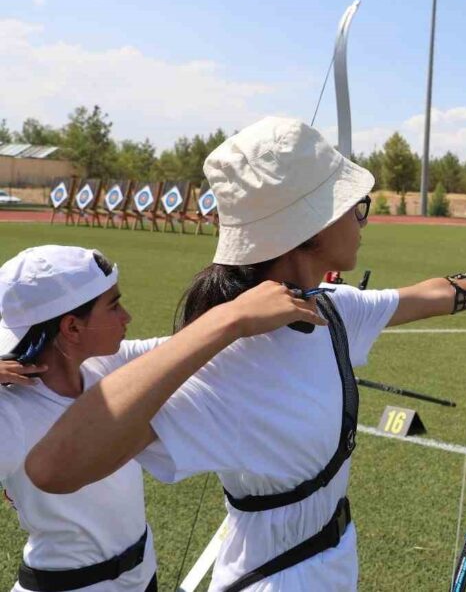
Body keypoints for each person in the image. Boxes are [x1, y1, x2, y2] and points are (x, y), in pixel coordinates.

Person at [28, 117, 466, 591]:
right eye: (353, 207)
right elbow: (54, 468)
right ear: (310, 229)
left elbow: (427, 295)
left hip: (333, 557)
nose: (365, 219)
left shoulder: (333, 310)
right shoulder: (220, 364)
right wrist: (226, 322)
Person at [1, 245, 322, 592]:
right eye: (113, 306)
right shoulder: (10, 410)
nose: (127, 317)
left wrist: (251, 310)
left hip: (141, 575)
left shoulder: (106, 366)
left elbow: (184, 348)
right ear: (73, 328)